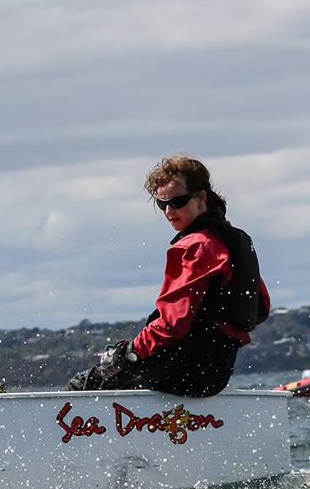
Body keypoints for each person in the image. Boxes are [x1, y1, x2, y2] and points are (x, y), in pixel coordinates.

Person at [69, 154, 270, 398]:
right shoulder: (234, 240)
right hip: (216, 372)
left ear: (201, 198)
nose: (169, 211)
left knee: (84, 384)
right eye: (162, 204)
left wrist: (126, 354)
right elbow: (260, 308)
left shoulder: (194, 246)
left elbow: (172, 325)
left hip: (185, 370)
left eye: (178, 202)